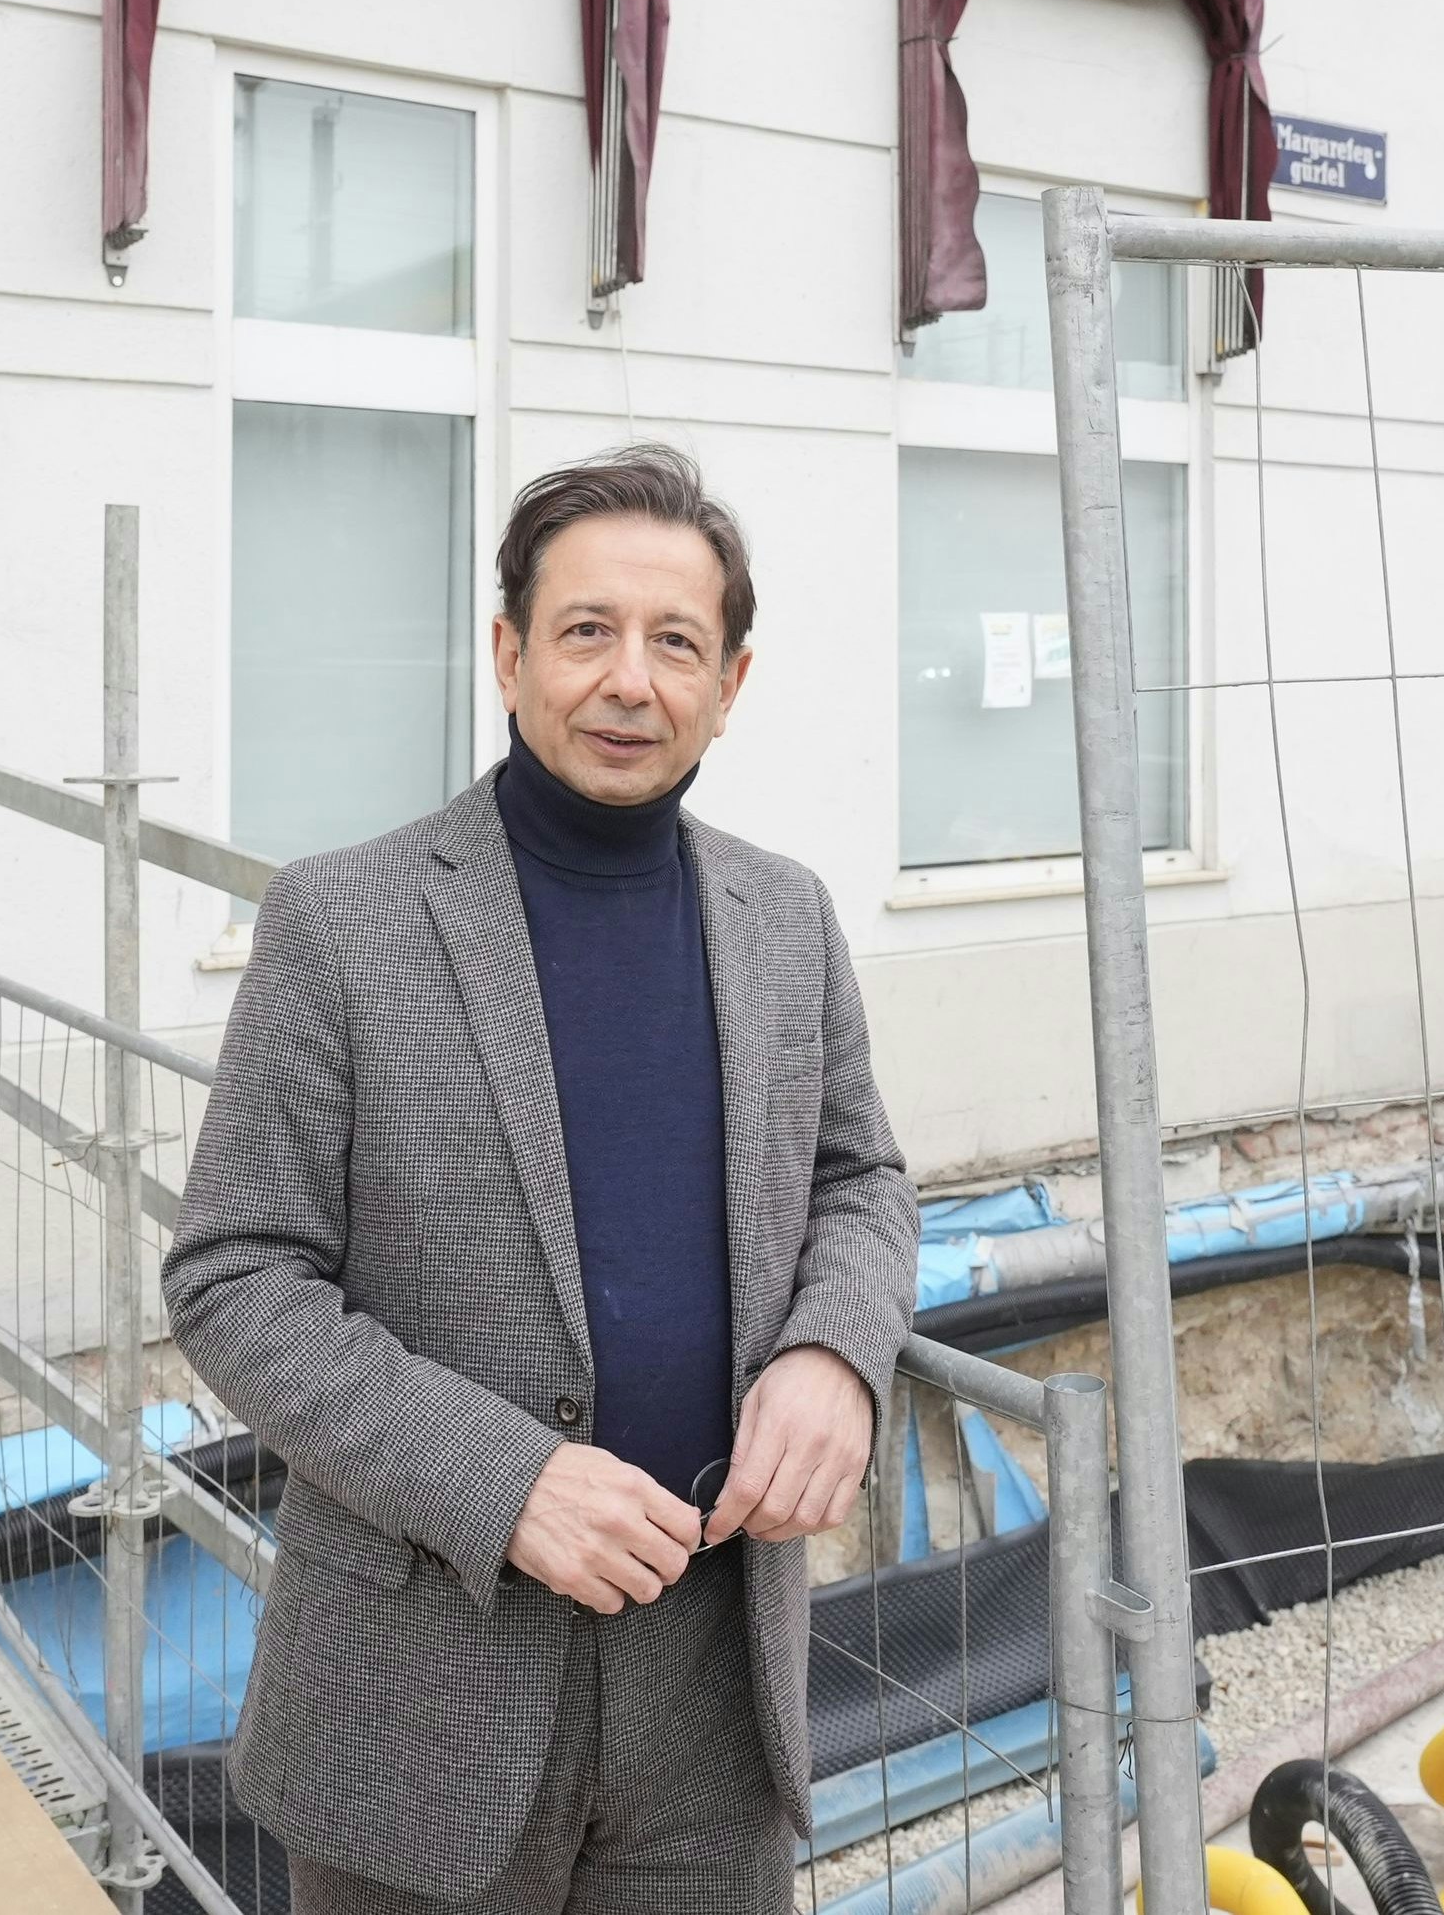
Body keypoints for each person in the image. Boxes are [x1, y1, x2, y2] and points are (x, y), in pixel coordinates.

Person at [165, 445, 919, 1914]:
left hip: (714, 1688)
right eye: (587, 632)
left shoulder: (788, 917)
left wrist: (838, 1353)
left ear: (730, 681)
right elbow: (233, 1275)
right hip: (423, 1696)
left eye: (674, 642)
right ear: (509, 654)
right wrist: (502, 1479)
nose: (628, 680)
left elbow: (863, 1178)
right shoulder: (342, 921)